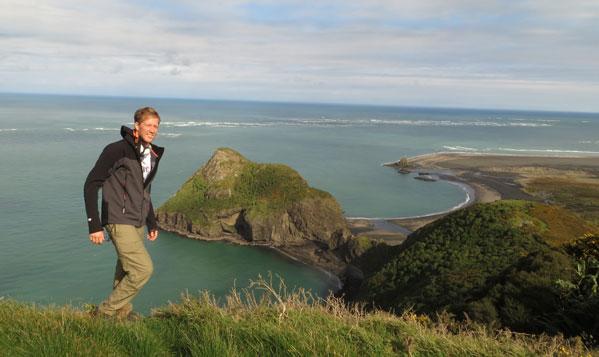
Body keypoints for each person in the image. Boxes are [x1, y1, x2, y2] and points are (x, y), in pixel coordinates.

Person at [83, 107, 165, 319]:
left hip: (137, 221)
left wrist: (151, 222)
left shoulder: (150, 155)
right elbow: (91, 184)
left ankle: (121, 314)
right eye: (148, 124)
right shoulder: (116, 150)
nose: (153, 129)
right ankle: (103, 313)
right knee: (142, 269)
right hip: (118, 219)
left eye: (156, 126)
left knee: (125, 270)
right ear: (136, 125)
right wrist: (95, 225)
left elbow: (144, 192)